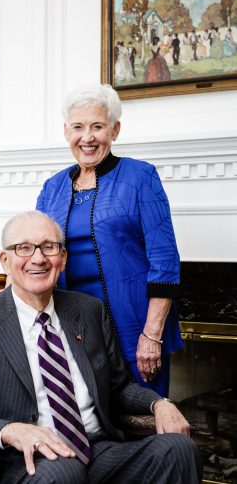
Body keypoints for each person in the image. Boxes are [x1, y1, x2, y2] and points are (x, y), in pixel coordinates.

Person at [0, 211, 203, 484]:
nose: (38, 258)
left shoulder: (88, 310)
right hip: (19, 462)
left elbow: (117, 387)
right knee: (64, 472)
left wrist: (159, 404)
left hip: (95, 452)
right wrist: (9, 431)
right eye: (24, 248)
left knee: (179, 450)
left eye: (49, 247)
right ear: (5, 261)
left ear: (63, 258)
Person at [36, 84, 183, 397]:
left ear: (115, 130)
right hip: (74, 330)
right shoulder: (52, 188)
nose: (87, 137)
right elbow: (34, 254)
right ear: (66, 132)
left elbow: (165, 261)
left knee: (145, 417)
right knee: (89, 423)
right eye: (78, 127)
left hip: (136, 328)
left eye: (97, 126)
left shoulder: (140, 177)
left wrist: (152, 335)